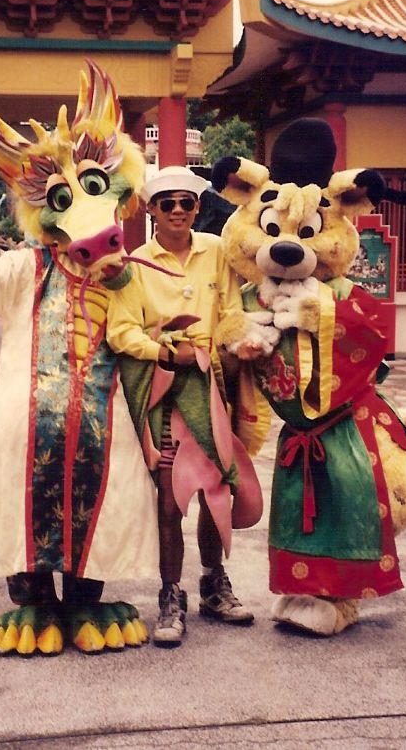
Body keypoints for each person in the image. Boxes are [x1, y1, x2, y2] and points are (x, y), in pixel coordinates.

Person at [107, 166, 261, 647]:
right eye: (167, 203)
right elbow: (120, 330)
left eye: (186, 203)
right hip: (165, 393)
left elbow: (233, 308)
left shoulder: (216, 252)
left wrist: (239, 341)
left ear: (197, 209)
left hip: (214, 390)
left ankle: (214, 585)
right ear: (151, 210)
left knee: (218, 489)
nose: (177, 210)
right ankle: (170, 596)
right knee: (171, 495)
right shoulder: (133, 264)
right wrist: (163, 351)